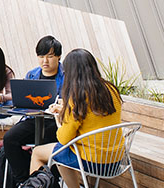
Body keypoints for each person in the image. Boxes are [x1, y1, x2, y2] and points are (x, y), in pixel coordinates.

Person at [29, 48, 124, 188]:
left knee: (39, 152)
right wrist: (66, 111)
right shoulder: (111, 89)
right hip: (115, 160)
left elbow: (63, 138)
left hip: (92, 161)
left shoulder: (78, 97)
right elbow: (94, 115)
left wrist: (59, 118)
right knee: (61, 154)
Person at [0, 35, 65, 188]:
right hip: (33, 119)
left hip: (56, 123)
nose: (44, 61)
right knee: (9, 139)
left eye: (50, 56)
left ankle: (47, 181)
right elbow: (23, 102)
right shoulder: (32, 74)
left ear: (59, 56)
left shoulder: (66, 76)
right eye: (41, 56)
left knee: (45, 143)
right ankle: (25, 180)